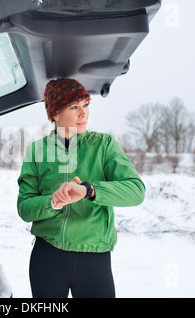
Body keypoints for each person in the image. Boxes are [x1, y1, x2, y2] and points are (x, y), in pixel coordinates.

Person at [17, 78, 145, 298]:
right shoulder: (37, 150)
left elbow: (136, 191)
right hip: (48, 257)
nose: (83, 114)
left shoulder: (104, 145)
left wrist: (90, 190)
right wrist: (52, 202)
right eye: (74, 107)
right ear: (55, 114)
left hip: (94, 257)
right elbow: (24, 207)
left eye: (85, 105)